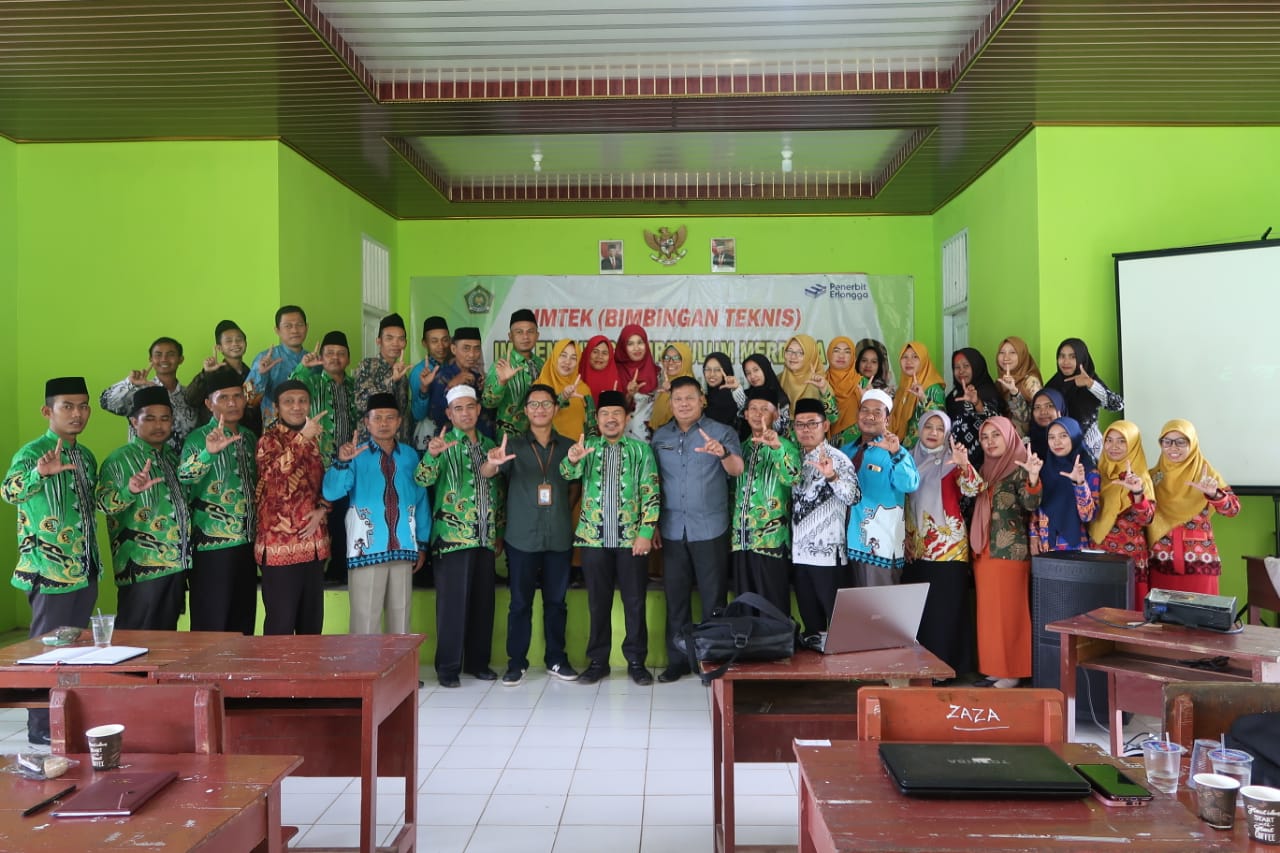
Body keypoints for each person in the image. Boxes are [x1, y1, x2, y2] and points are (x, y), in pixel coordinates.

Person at [3, 377, 99, 744]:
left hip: (85, 568)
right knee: (47, 652)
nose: (77, 414)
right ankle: (41, 728)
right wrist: (38, 473)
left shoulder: (85, 456)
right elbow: (9, 491)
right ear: (48, 411)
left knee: (77, 652)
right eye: (67, 406)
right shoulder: (32, 453)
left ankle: (68, 721)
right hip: (48, 570)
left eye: (83, 406)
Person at [560, 390, 660, 686]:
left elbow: (651, 493)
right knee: (597, 602)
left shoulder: (641, 451)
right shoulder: (587, 447)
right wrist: (572, 459)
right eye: (605, 414)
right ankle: (598, 662)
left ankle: (636, 661)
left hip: (631, 541)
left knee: (635, 602)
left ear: (627, 418)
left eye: (617, 413)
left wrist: (645, 533)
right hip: (594, 540)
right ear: (597, 419)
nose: (611, 419)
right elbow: (566, 475)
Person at [650, 375, 744, 683]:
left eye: (690, 398)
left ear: (702, 399)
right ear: (671, 403)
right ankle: (678, 660)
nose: (684, 404)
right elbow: (653, 482)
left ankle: (711, 662)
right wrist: (652, 524)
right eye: (678, 399)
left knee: (713, 600)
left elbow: (737, 469)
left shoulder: (721, 432)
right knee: (675, 599)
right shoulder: (660, 436)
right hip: (672, 528)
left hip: (710, 529)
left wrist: (723, 453)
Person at [490, 384, 578, 685]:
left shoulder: (568, 447)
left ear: (556, 408)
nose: (540, 409)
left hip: (558, 537)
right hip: (521, 537)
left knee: (557, 603)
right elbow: (490, 473)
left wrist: (561, 513)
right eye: (534, 404)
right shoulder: (511, 446)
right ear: (526, 410)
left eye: (546, 403)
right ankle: (516, 663)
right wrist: (491, 463)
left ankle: (556, 659)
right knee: (519, 603)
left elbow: (575, 488)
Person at [322, 393, 431, 636]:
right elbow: (331, 492)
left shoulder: (410, 456)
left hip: (404, 546)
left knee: (401, 620)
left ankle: (399, 663)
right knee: (365, 621)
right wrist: (341, 462)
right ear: (367, 422)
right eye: (377, 417)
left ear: (399, 421)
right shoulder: (355, 455)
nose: (384, 423)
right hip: (366, 548)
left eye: (390, 417)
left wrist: (422, 542)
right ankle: (365, 663)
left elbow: (421, 499)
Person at [415, 386, 501, 687]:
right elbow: (422, 479)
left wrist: (498, 532)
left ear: (478, 410)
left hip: (484, 537)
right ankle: (448, 667)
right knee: (452, 606)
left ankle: (478, 663)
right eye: (458, 409)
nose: (465, 413)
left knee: (483, 604)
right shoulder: (442, 444)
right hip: (451, 539)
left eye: (470, 407)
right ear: (449, 414)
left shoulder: (490, 445)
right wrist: (431, 456)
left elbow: (498, 491)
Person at [95, 385, 191, 632]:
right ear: (133, 421)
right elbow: (103, 504)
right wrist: (130, 490)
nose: (158, 425)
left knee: (166, 636)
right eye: (149, 418)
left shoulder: (171, 457)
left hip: (175, 564)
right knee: (137, 637)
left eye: (165, 418)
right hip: (140, 568)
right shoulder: (119, 460)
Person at [179, 368, 258, 634]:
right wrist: (207, 453)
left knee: (242, 621)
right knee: (212, 621)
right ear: (208, 403)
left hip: (247, 542)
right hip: (211, 546)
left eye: (237, 396)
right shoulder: (198, 438)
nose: (232, 403)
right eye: (223, 397)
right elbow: (184, 477)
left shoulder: (249, 437)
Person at [902, 411, 979, 676]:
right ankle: (919, 669)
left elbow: (973, 489)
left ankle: (945, 670)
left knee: (944, 611)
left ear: (946, 434)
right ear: (920, 430)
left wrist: (964, 465)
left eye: (939, 429)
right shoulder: (907, 460)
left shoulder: (952, 459)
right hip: (914, 547)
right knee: (920, 613)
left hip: (948, 550)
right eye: (928, 427)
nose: (933, 433)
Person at [968, 416, 1042, 689]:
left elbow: (1031, 503)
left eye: (996, 435)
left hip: (1010, 551)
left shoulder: (1020, 466)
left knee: (1010, 614)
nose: (990, 442)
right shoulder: (985, 470)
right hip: (984, 551)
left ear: (1009, 436)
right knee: (989, 614)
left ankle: (1012, 671)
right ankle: (995, 668)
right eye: (985, 437)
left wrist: (1033, 477)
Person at [254, 380, 329, 635]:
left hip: (313, 545)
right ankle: (276, 665)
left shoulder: (318, 438)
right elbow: (273, 479)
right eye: (289, 402)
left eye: (302, 401)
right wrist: (302, 438)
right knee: (280, 625)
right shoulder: (268, 440)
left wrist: (323, 508)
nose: (297, 407)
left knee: (312, 626)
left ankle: (308, 665)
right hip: (279, 547)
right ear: (276, 408)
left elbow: (328, 482)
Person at [289, 330, 357, 584]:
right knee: (317, 514)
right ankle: (316, 570)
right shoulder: (313, 382)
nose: (335, 358)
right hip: (319, 462)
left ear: (348, 358)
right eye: (329, 353)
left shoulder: (354, 386)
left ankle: (341, 567)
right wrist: (303, 368)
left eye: (341, 353)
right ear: (322, 357)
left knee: (344, 517)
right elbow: (292, 391)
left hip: (350, 463)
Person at [790, 398, 859, 639]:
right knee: (813, 628)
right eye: (800, 424)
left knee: (841, 626)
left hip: (829, 557)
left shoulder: (838, 459)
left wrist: (831, 476)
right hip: (800, 556)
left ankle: (846, 663)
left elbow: (853, 496)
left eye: (812, 423)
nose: (806, 429)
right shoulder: (794, 459)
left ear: (825, 425)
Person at [1145, 419, 1239, 596]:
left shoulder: (1206, 474)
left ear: (1192, 443)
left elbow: (1233, 509)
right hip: (1160, 561)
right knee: (1161, 613)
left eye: (1181, 442)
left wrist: (1214, 494)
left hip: (1199, 561)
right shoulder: (1152, 476)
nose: (1173, 448)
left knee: (1200, 612)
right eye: (1167, 442)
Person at [732, 388, 803, 616]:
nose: (757, 414)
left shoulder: (786, 446)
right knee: (745, 606)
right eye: (753, 408)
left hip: (771, 543)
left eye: (764, 409)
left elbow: (793, 479)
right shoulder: (740, 448)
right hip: (741, 541)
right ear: (745, 414)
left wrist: (776, 448)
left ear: (776, 415)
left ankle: (777, 641)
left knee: (772, 607)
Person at [840, 389, 920, 586]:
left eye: (877, 412)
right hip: (845, 544)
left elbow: (910, 484)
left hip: (878, 547)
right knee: (851, 603)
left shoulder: (896, 452)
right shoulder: (845, 451)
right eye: (865, 410)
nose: (870, 416)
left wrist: (896, 454)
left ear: (887, 419)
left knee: (878, 603)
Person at [1089, 421, 1156, 601]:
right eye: (1109, 440)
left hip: (1129, 556)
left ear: (1133, 444)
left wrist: (1137, 492)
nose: (1114, 446)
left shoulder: (1140, 477)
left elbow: (1147, 519)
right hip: (1099, 552)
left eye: (1122, 441)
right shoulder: (1098, 472)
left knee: (1127, 607)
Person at [99, 336, 198, 452]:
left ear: (181, 359)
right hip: (143, 460)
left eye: (170, 354)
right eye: (158, 355)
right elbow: (106, 402)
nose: (164, 359)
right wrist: (129, 383)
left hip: (186, 461)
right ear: (151, 359)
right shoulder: (139, 392)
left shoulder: (190, 395)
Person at [1045, 337, 1123, 460]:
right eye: (1062, 356)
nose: (1066, 361)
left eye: (1072, 357)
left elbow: (1117, 405)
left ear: (1081, 358)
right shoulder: (1052, 386)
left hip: (1091, 451)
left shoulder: (1091, 382)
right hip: (1060, 451)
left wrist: (1090, 384)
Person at [1030, 417, 1100, 552]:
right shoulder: (1044, 469)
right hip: (1045, 545)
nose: (1057, 442)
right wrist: (1033, 534)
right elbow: (1037, 507)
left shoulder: (1089, 472)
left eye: (1063, 436)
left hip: (1074, 548)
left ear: (1074, 437)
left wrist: (1079, 484)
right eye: (1051, 437)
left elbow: (1088, 516)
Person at [187, 319, 262, 435]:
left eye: (239, 339)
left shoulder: (251, 374)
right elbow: (190, 399)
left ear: (245, 343)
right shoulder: (212, 373)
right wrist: (206, 373)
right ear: (219, 348)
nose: (235, 344)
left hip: (245, 435)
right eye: (228, 341)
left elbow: (254, 407)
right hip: (217, 435)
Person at [483, 308, 543, 437]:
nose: (525, 337)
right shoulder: (501, 365)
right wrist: (502, 383)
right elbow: (487, 403)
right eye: (519, 332)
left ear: (537, 335)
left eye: (530, 331)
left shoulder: (541, 364)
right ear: (510, 336)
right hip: (510, 439)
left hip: (538, 437)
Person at [945, 347, 1007, 467]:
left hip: (985, 460)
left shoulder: (988, 392)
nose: (961, 371)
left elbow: (995, 422)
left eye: (966, 366)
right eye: (957, 367)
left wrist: (977, 403)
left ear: (976, 366)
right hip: (957, 460)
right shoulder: (953, 396)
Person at [247, 305, 311, 423]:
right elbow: (249, 401)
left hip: (309, 428)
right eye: (288, 326)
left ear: (306, 328)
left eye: (299, 325)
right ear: (277, 330)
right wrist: (260, 374)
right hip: (275, 429)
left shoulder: (314, 361)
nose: (294, 330)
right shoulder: (266, 359)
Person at [354, 313, 412, 442]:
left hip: (398, 444)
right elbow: (361, 402)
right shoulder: (367, 366)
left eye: (401, 339)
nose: (395, 343)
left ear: (405, 343)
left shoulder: (403, 374)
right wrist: (391, 381)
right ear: (379, 341)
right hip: (371, 444)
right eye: (389, 338)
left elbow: (403, 412)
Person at [427, 326, 488, 436]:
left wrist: (486, 391)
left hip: (479, 440)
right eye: (466, 348)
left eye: (477, 349)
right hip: (451, 440)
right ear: (454, 349)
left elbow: (486, 416)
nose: (472, 354)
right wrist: (451, 386)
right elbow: (435, 414)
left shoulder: (478, 378)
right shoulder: (443, 377)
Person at [888, 341, 945, 450]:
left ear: (923, 360)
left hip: (924, 451)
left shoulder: (933, 388)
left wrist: (923, 398)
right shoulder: (903, 387)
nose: (909, 361)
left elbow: (941, 420)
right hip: (902, 450)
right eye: (904, 357)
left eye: (915, 357)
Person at [535, 338, 593, 439]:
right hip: (546, 447)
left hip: (577, 447)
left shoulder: (583, 389)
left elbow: (591, 426)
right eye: (563, 355)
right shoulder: (538, 386)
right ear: (554, 357)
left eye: (573, 358)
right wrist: (563, 397)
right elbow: (536, 417)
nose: (567, 362)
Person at [410, 315, 452, 446]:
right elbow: (418, 414)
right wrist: (424, 388)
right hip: (429, 438)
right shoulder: (419, 371)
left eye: (445, 340)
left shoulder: (453, 366)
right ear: (424, 343)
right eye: (434, 341)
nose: (441, 346)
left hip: (452, 435)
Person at [615, 324, 659, 440]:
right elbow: (610, 411)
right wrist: (629, 395)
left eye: (640, 342)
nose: (636, 348)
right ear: (623, 347)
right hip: (621, 440)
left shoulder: (658, 374)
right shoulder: (614, 373)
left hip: (650, 442)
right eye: (630, 344)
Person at [779, 334, 836, 420]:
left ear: (810, 356)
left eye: (800, 353)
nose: (793, 356)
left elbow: (833, 418)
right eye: (789, 351)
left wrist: (823, 390)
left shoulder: (818, 382)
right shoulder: (778, 379)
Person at [994, 336, 1043, 436]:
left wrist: (1014, 392)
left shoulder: (1031, 382)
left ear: (1022, 355)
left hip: (1026, 440)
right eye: (1001, 353)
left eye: (1013, 352)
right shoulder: (1000, 381)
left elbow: (1031, 418)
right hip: (1004, 437)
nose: (1006, 357)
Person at [739, 353, 789, 435]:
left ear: (765, 369)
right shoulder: (745, 395)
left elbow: (783, 431)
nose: (752, 376)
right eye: (748, 373)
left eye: (756, 370)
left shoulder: (780, 397)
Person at [825, 336, 862, 442]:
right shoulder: (821, 382)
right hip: (827, 444)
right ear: (829, 354)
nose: (841, 356)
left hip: (857, 443)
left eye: (847, 352)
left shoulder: (863, 383)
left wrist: (866, 399)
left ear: (853, 356)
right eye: (836, 351)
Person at [650, 342, 693, 431]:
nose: (670, 362)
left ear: (686, 361)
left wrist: (673, 393)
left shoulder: (693, 388)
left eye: (676, 358)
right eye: (666, 358)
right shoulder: (664, 386)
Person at [701, 352, 740, 428]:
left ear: (726, 371)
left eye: (718, 370)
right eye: (708, 369)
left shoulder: (725, 396)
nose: (712, 374)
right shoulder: (711, 395)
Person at [1027, 387, 1067, 461]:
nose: (1043, 412)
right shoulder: (1027, 442)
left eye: (1049, 406)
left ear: (1060, 408)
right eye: (1037, 407)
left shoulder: (1074, 439)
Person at [579, 335, 620, 404]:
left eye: (604, 353)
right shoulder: (576, 377)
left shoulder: (616, 381)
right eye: (595, 352)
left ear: (610, 357)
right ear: (588, 353)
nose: (599, 356)